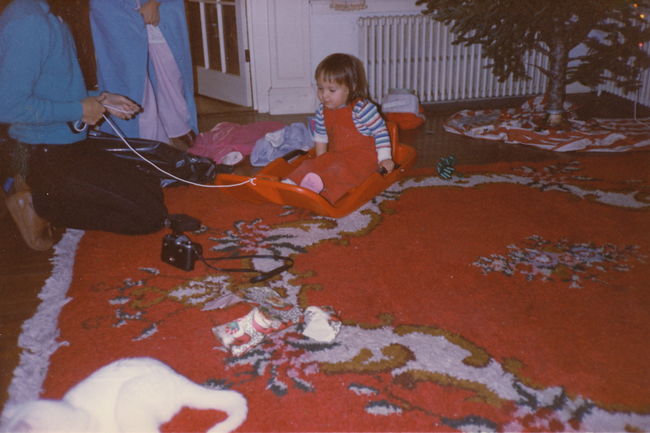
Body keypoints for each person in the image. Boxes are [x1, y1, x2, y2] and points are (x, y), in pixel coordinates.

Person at [0, 0, 169, 251]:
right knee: (148, 215)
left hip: (66, 142)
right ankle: (38, 203)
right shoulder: (29, 22)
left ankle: (41, 189)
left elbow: (55, 86)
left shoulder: (44, 13)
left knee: (149, 187)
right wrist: (80, 109)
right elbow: (8, 106)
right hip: (42, 149)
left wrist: (100, 98)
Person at [285, 53, 395, 204]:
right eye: (320, 88)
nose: (324, 96)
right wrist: (321, 160)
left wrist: (385, 158)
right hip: (337, 154)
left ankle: (321, 192)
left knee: (340, 171)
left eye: (331, 90)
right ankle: (291, 184)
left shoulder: (362, 109)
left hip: (363, 159)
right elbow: (321, 136)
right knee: (311, 164)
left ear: (351, 88)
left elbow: (380, 131)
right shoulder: (322, 110)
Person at [89, 0, 198, 150]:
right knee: (130, 80)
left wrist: (154, 2)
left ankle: (178, 129)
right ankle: (145, 142)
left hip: (162, 8)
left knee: (170, 69)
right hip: (113, 7)